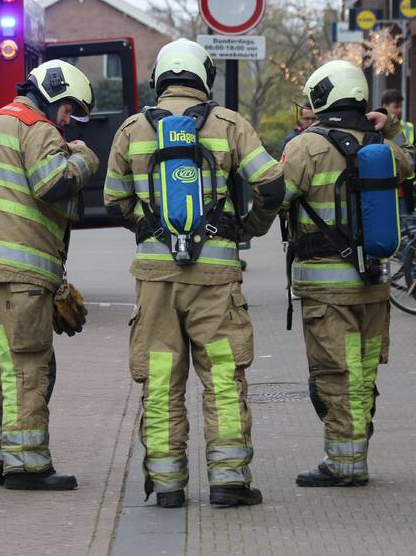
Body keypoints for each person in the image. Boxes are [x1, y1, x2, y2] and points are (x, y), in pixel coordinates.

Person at [105, 38, 284, 508]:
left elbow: (112, 199)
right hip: (216, 277)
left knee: (161, 376)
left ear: (160, 77)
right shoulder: (229, 125)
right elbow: (271, 183)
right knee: (223, 375)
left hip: (155, 279)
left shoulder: (130, 130)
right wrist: (247, 228)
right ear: (204, 78)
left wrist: (147, 230)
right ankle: (228, 482)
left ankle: (167, 485)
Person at [0, 60, 99, 491]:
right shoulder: (38, 129)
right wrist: (84, 159)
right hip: (19, 275)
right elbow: (52, 184)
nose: (67, 120)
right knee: (28, 365)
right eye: (69, 109)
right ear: (53, 94)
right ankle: (29, 465)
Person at [281, 60, 412, 488]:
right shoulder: (384, 148)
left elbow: (273, 199)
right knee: (363, 373)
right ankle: (355, 452)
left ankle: (344, 463)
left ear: (321, 97)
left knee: (337, 374)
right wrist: (388, 127)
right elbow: (410, 163)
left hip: (325, 287)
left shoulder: (306, 147)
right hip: (374, 284)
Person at [382, 89, 416, 213]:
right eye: (396, 107)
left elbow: (415, 158)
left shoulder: (408, 127)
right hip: (386, 187)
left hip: (404, 187)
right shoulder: (376, 125)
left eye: (400, 106)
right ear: (385, 106)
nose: (399, 110)